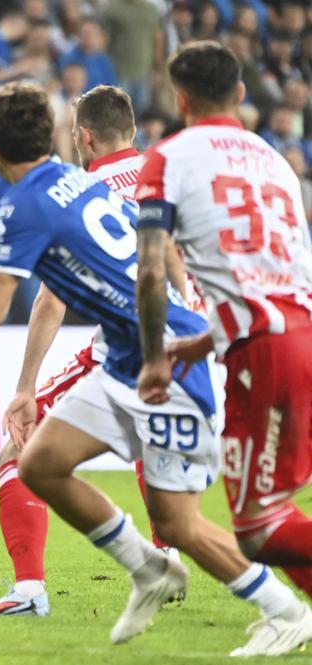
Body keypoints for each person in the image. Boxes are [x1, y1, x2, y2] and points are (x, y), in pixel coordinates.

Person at [0, 82, 312, 656]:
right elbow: (164, 251)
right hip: (135, 350)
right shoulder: (85, 180)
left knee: (182, 524)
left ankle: (284, 610)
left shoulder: (29, 202)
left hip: (163, 361)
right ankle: (148, 570)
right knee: (39, 460)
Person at [0, 85, 191, 617]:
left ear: (83, 137)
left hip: (130, 343)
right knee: (151, 442)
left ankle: (29, 591)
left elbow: (51, 300)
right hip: (202, 339)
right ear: (132, 130)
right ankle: (167, 556)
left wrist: (24, 386)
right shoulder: (170, 174)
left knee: (18, 450)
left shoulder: (79, 187)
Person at [135, 42, 312, 652]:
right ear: (240, 94)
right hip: (297, 333)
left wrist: (156, 354)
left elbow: (153, 269)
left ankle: (290, 619)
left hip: (265, 351)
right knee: (269, 510)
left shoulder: (169, 157)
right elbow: (277, 276)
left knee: (259, 529)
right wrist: (202, 342)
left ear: (180, 99)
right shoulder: (277, 160)